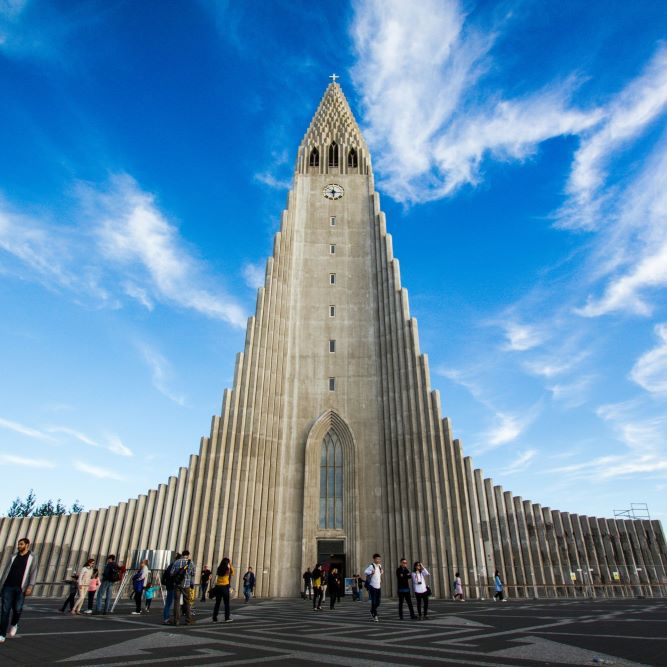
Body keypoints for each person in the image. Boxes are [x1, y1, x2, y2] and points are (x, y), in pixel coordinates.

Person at [0, 537, 38, 643]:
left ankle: (14, 624)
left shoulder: (33, 557)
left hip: (21, 588)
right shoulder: (13, 556)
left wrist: (31, 585)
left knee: (17, 609)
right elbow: (6, 571)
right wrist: (1, 586)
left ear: (27, 545)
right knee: (4, 611)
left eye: (21, 544)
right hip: (8, 586)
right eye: (18, 544)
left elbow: (34, 572)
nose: (19, 546)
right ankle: (2, 634)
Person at [171, 550, 195, 625]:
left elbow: (171, 573)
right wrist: (191, 584)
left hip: (177, 584)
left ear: (182, 555)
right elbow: (193, 574)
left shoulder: (176, 562)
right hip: (186, 585)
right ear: (188, 555)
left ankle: (176, 621)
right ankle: (188, 620)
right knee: (187, 602)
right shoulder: (191, 563)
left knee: (176, 602)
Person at [212, 557, 234, 622]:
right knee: (226, 604)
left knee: (217, 603)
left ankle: (214, 618)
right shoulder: (228, 569)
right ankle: (227, 618)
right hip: (225, 587)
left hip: (218, 586)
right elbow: (233, 573)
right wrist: (230, 564)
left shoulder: (219, 568)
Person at [162, 552, 180, 625]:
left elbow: (165, 575)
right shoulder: (175, 566)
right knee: (169, 603)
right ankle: (167, 619)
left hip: (169, 585)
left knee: (169, 603)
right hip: (173, 585)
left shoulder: (170, 565)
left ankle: (167, 618)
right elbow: (172, 575)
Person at [364, 553, 383, 622]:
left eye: (379, 559)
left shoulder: (380, 566)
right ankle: (375, 615)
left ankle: (372, 610)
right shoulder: (371, 566)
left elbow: (379, 574)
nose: (378, 560)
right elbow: (365, 572)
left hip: (378, 586)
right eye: (377, 559)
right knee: (374, 602)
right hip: (372, 586)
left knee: (378, 602)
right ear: (374, 559)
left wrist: (381, 572)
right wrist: (371, 572)